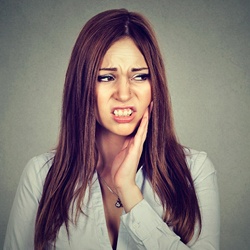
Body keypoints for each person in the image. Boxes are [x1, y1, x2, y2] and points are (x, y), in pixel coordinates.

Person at [4, 9, 220, 250]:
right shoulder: (41, 176)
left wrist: (128, 190)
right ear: (83, 85)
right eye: (106, 77)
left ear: (154, 85)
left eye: (139, 76)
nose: (124, 94)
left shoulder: (195, 171)